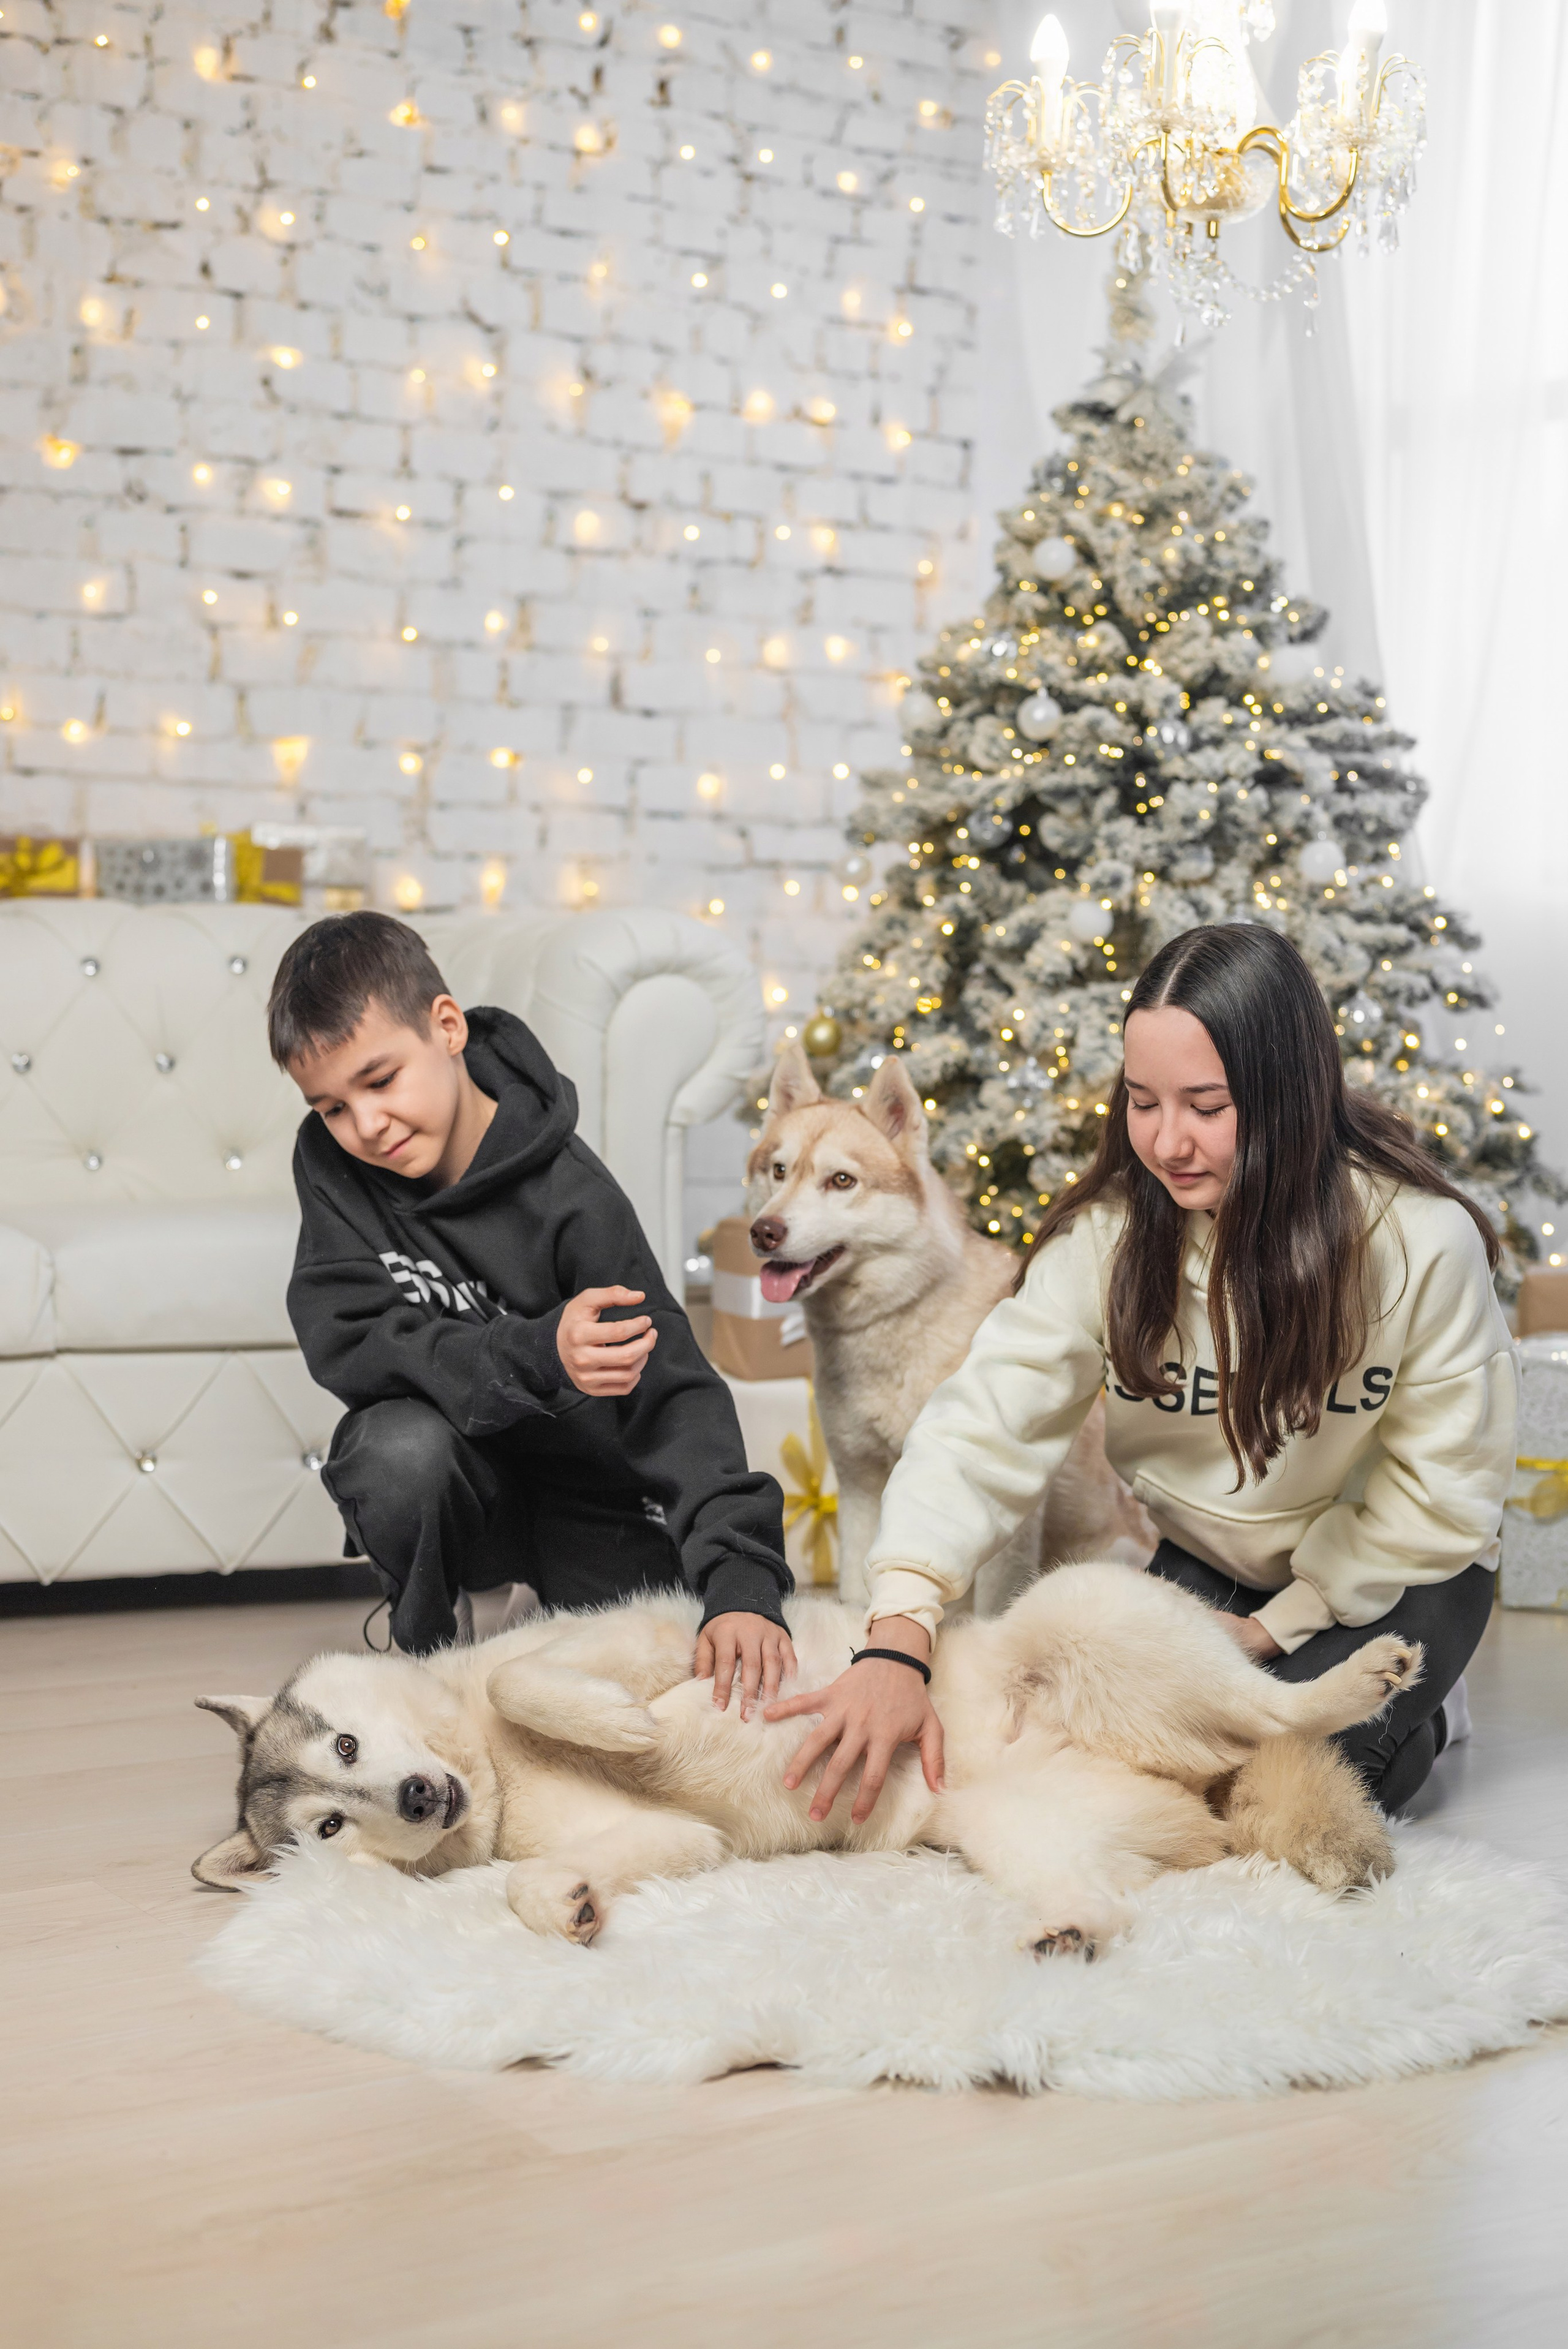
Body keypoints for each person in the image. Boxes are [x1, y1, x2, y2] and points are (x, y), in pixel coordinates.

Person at [767, 923, 1517, 1825]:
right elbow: (982, 1427)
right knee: (1107, 1757)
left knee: (1298, 1779)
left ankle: (1424, 1713)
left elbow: (1443, 1494)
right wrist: (895, 1638)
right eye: (1142, 1101)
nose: (1168, 1143)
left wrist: (1274, 1629)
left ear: (1290, 1094)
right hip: (1211, 1562)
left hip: (1400, 1572)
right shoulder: (1112, 1240)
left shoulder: (1420, 1243)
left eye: (1207, 1106)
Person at [268, 910, 795, 1710]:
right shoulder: (333, 1165)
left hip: (585, 1494)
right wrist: (538, 1353)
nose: (365, 1126)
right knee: (395, 1452)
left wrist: (743, 1577)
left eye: (379, 1081)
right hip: (456, 1474)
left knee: (663, 1658)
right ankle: (431, 1640)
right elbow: (348, 1338)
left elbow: (673, 1392)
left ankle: (541, 1600)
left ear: (446, 1027)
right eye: (332, 1107)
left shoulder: (572, 1196)